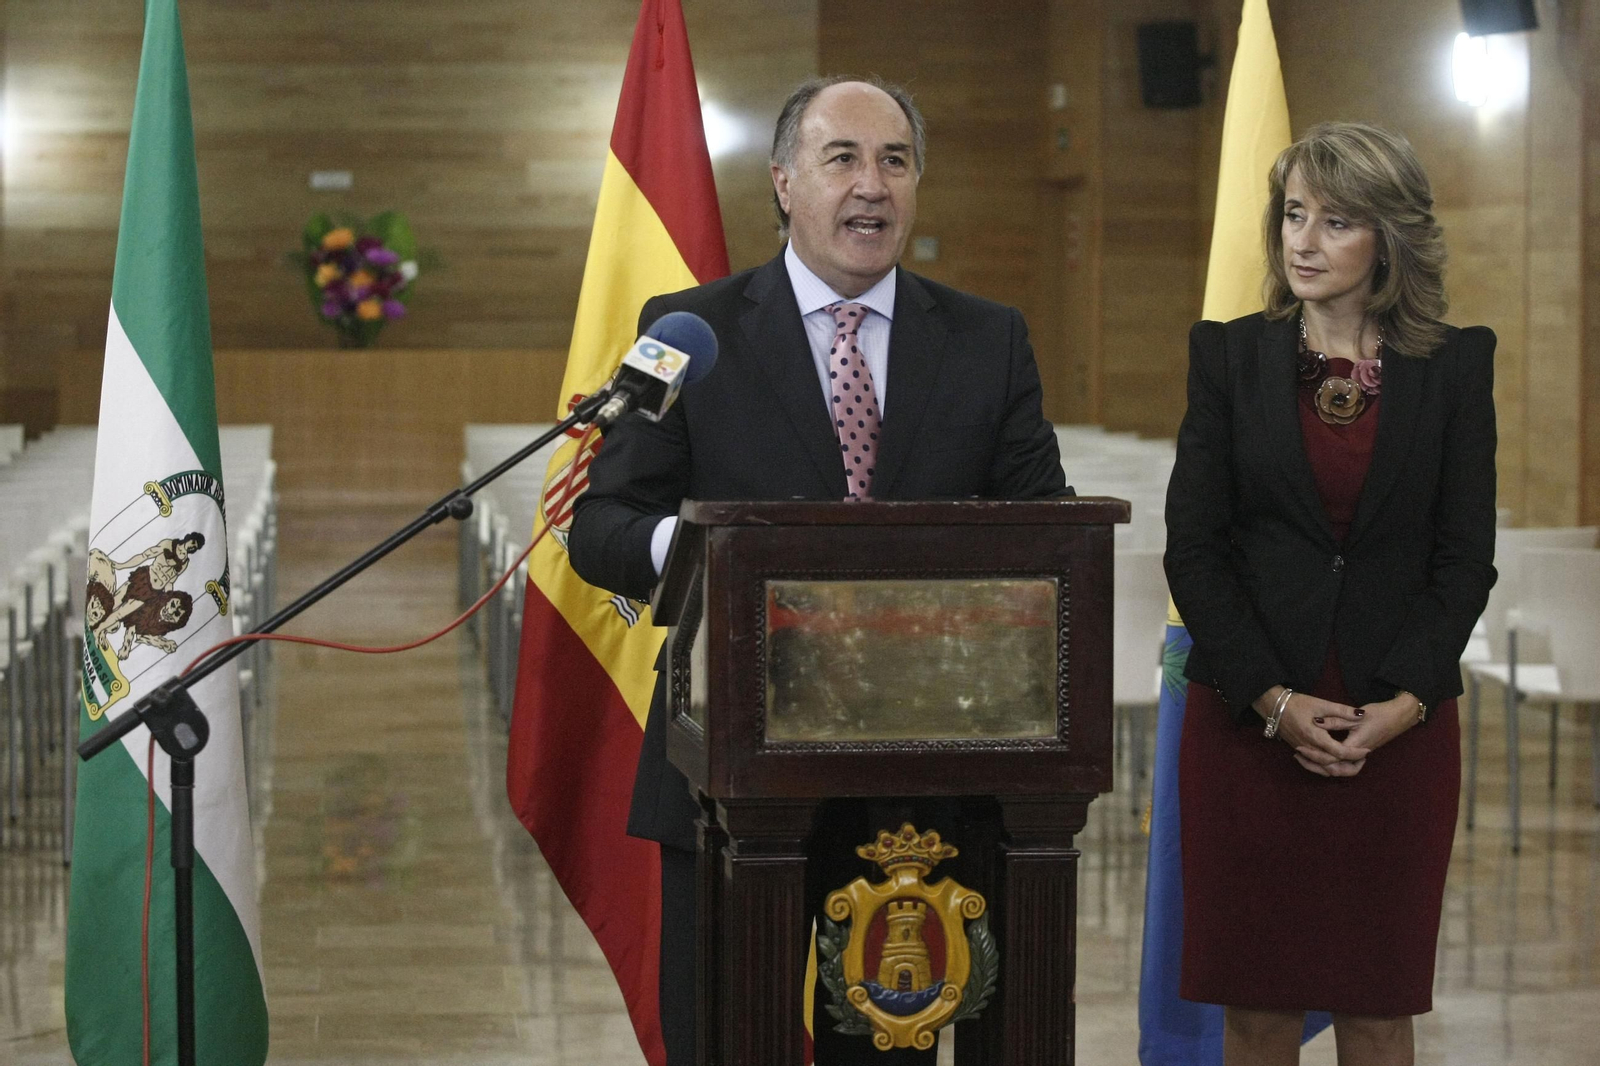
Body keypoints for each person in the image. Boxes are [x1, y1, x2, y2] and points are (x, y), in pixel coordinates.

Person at [569, 75, 1067, 1065]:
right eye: (842, 159)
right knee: (720, 1031)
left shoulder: (986, 340)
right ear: (785, 182)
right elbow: (603, 528)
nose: (869, 185)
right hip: (728, 759)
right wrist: (703, 552)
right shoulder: (687, 331)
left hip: (924, 767)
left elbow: (1046, 535)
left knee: (888, 1044)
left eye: (894, 160)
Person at [1164, 121, 1497, 1065]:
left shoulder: (1455, 367)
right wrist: (1270, 698)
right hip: (1250, 721)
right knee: (1260, 1011)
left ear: (1389, 237)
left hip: (1398, 725)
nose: (1302, 242)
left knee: (1378, 1009)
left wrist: (1406, 701)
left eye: (1335, 221)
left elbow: (1466, 556)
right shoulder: (1229, 357)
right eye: (1294, 215)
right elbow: (1195, 550)